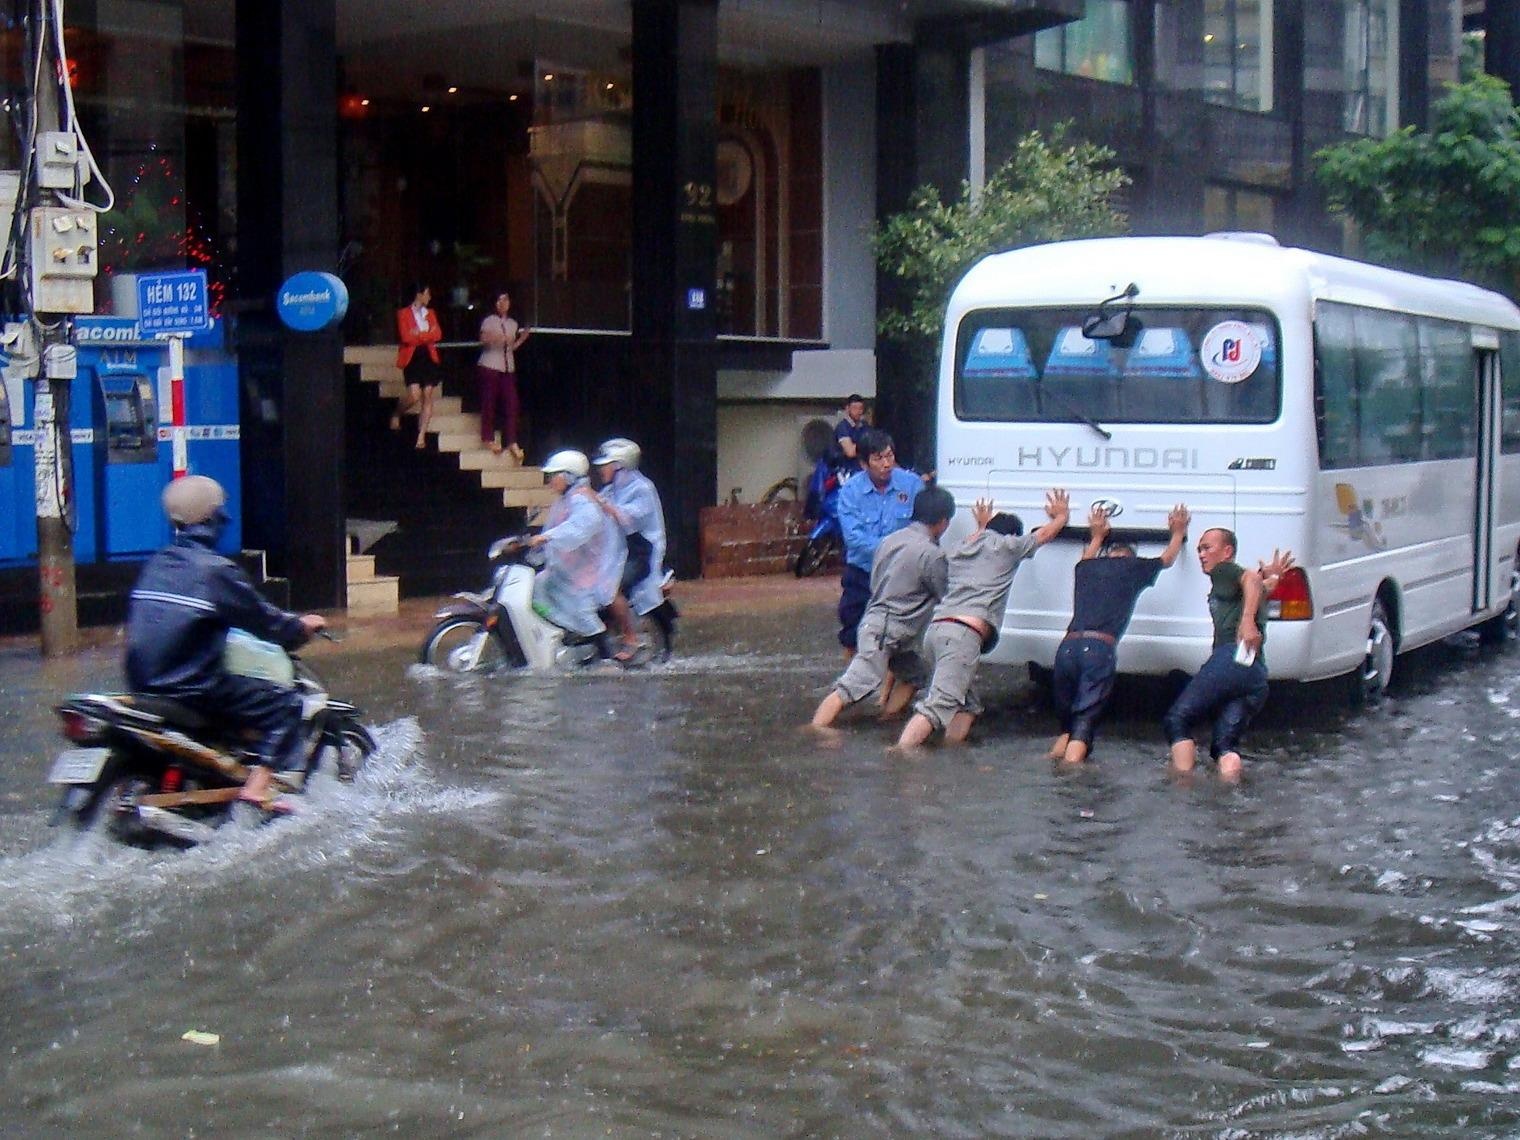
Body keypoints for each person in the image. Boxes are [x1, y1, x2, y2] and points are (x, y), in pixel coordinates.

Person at [125, 476, 325, 812]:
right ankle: (259, 788)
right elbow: (268, 623)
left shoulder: (157, 563)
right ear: (212, 518)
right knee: (285, 703)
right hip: (191, 686)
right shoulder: (216, 571)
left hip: (143, 684)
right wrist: (300, 627)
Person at [897, 489, 1070, 749]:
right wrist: (1061, 517)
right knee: (938, 705)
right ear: (1010, 535)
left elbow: (980, 540)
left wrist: (982, 526)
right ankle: (900, 754)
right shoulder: (1007, 546)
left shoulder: (960, 548)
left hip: (935, 633)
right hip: (962, 636)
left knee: (968, 704)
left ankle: (950, 752)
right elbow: (1042, 535)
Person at [1046, 501, 1191, 766]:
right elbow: (1168, 558)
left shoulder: (1085, 568)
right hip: (1098, 650)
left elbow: (1087, 555)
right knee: (1084, 722)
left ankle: (1053, 765)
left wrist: (1097, 535)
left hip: (1066, 649)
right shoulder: (1134, 568)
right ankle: (1069, 779)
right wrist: (1178, 533)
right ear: (1130, 556)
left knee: (1067, 726)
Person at [811, 486, 955, 728]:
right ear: (942, 522)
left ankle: (886, 721)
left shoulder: (889, 541)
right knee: (852, 686)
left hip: (877, 623)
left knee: (915, 675)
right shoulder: (931, 555)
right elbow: (945, 595)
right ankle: (815, 730)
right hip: (887, 633)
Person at [1162, 528, 1294, 782]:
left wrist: (1246, 622)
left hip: (1230, 658)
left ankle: (1182, 787)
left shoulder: (1223, 570)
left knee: (1177, 720)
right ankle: (1231, 793)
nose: (1201, 554)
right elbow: (1260, 585)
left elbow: (1251, 581)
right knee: (1224, 746)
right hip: (1255, 674)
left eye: (1207, 547)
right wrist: (1272, 577)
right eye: (1199, 548)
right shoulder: (1240, 587)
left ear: (1227, 552)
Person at [836, 429, 930, 654]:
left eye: (889, 456)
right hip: (863, 574)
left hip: (900, 574)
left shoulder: (912, 485)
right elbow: (854, 538)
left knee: (897, 639)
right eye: (878, 458)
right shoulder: (850, 491)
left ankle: (886, 689)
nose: (886, 464)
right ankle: (857, 685)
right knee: (854, 633)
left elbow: (924, 525)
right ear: (863, 464)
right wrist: (893, 548)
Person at [593, 437, 679, 663]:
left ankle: (631, 639)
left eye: (606, 464)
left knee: (611, 590)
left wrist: (602, 505)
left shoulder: (643, 488)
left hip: (641, 553)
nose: (601, 469)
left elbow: (627, 518)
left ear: (620, 464)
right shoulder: (612, 490)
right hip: (617, 552)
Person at [528, 449, 624, 648]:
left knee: (580, 610)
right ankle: (562, 635)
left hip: (588, 571)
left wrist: (547, 537)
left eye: (554, 476)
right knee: (536, 588)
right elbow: (555, 529)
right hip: (568, 569)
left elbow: (580, 528)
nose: (550, 481)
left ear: (568, 476)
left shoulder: (582, 499)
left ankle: (605, 654)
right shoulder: (566, 499)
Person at [477, 289, 530, 462]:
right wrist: (495, 339)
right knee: (489, 402)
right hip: (491, 365)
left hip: (507, 367)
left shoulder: (513, 323)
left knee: (512, 404)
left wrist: (521, 339)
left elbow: (510, 346)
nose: (503, 304)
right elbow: (484, 340)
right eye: (499, 300)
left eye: (506, 300)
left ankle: (512, 440)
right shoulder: (489, 321)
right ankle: (488, 437)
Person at [392, 283, 444, 449]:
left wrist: (420, 334)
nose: (429, 297)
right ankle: (397, 413)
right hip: (413, 357)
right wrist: (426, 335)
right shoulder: (403, 314)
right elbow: (407, 337)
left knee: (427, 394)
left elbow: (437, 334)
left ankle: (421, 436)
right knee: (414, 395)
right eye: (427, 293)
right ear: (419, 295)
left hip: (428, 356)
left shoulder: (431, 313)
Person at [829, 393, 869, 471]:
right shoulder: (843, 427)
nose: (859, 411)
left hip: (861, 468)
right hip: (845, 469)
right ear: (847, 409)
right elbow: (850, 452)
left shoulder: (865, 426)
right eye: (855, 408)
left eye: (861, 408)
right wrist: (865, 447)